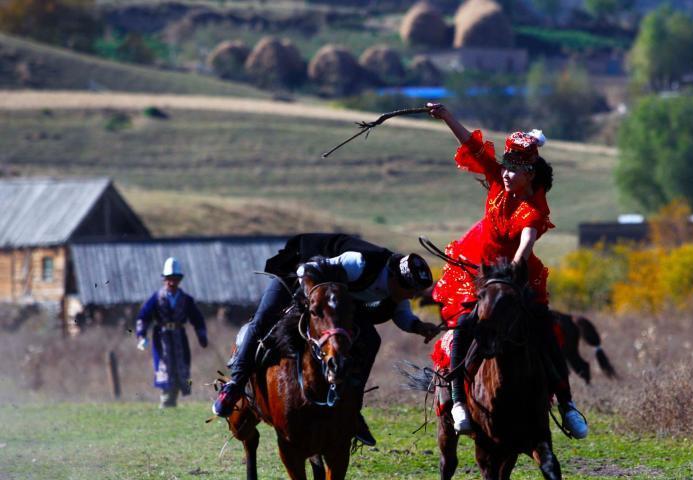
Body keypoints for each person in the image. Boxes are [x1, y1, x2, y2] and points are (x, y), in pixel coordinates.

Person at [427, 102, 588, 439]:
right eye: (505, 168)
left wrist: (516, 263)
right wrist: (446, 116)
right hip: (481, 268)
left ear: (530, 174)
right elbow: (472, 145)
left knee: (546, 332)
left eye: (513, 171)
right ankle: (457, 400)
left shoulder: (534, 206)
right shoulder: (500, 180)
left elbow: (528, 235)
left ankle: (566, 404)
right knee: (463, 326)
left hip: (516, 274)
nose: (505, 174)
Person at [212, 233, 441, 447]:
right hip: (300, 274)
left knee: (371, 339)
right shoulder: (359, 263)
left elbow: (402, 315)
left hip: (336, 300)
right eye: (409, 290)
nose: (410, 296)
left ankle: (352, 410)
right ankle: (235, 385)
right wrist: (309, 302)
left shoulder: (398, 287)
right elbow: (308, 269)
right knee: (263, 321)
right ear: (394, 277)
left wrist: (420, 327)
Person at [136, 257, 208, 409]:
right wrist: (141, 335)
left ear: (179, 280)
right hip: (162, 340)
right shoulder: (156, 298)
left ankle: (172, 402)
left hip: (180, 338)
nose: (171, 282)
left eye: (174, 279)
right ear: (164, 279)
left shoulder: (186, 300)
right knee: (165, 369)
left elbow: (197, 318)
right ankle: (166, 402)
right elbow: (143, 316)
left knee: (180, 369)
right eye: (169, 279)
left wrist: (201, 335)